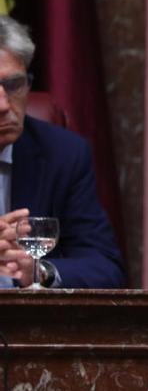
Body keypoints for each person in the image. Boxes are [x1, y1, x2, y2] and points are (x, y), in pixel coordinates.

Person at [0, 16, 125, 288]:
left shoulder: (63, 155)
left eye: (13, 86)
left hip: (30, 326)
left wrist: (38, 270)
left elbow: (105, 266)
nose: (3, 105)